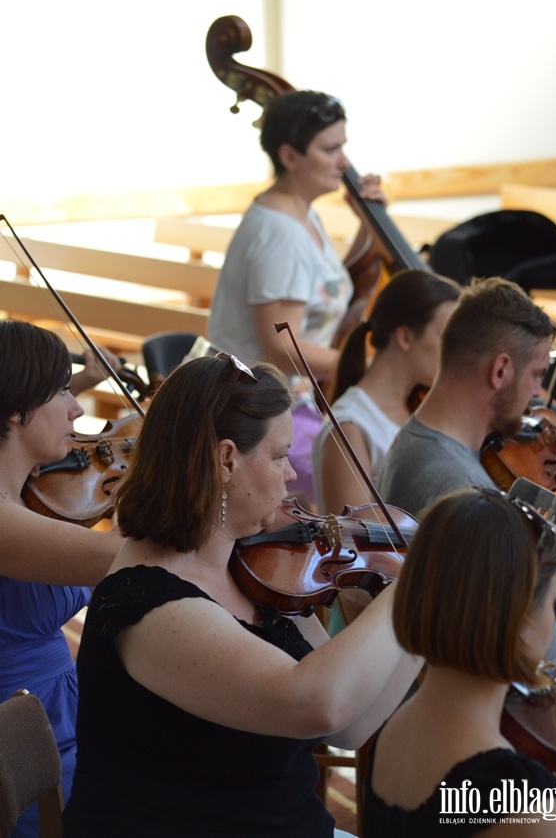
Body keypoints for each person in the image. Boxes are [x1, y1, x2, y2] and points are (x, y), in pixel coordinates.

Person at [62, 353, 422, 838]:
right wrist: (417, 576)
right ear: (227, 459)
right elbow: (317, 703)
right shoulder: (146, 601)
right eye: (278, 457)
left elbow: (349, 727)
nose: (291, 476)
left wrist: (426, 612)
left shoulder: (253, 570)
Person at [363, 487, 556, 837]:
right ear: (516, 618)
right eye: (551, 605)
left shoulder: (398, 726)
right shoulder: (517, 797)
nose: (552, 623)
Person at [208, 90, 387, 501]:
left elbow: (333, 288)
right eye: (331, 148)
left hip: (290, 400)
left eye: (343, 146)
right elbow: (278, 347)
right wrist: (370, 366)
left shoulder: (301, 214)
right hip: (257, 413)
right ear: (289, 156)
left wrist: (368, 224)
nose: (345, 161)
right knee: (362, 485)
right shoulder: (280, 235)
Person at [0, 320, 123, 838]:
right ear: (15, 408)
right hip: (25, 744)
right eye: (60, 390)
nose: (77, 409)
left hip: (58, 715)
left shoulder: (24, 495)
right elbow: (124, 559)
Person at [378, 275, 556, 519]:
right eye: (537, 374)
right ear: (500, 371)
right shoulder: (465, 493)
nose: (537, 392)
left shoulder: (411, 439)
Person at [312, 269, 460, 514]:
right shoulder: (350, 426)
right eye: (445, 337)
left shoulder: (420, 407)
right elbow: (355, 543)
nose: (454, 353)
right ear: (404, 337)